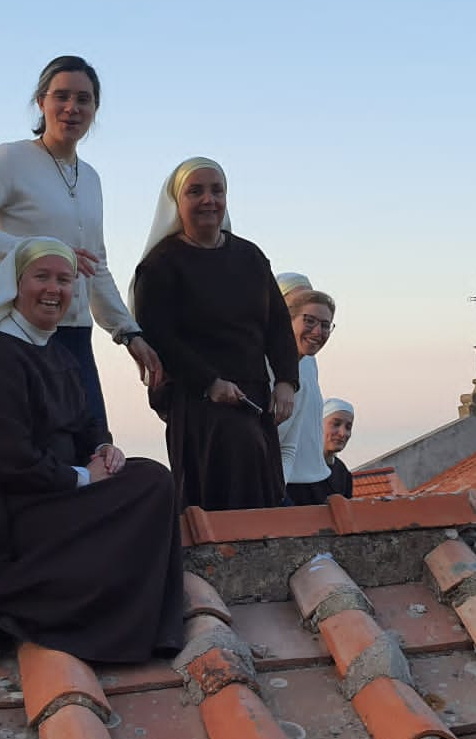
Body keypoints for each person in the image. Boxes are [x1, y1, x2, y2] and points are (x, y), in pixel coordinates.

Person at [0, 237, 185, 666]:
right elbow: (9, 460)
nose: (54, 289)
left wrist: (103, 449)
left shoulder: (54, 351)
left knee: (152, 479)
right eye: (42, 277)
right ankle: (15, 607)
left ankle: (141, 624)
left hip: (53, 491)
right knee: (152, 486)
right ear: (15, 285)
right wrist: (83, 478)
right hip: (11, 508)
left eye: (64, 280)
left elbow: (85, 423)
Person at [0, 56, 163, 429]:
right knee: (33, 454)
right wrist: (42, 254)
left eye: (84, 99)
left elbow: (97, 266)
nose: (72, 108)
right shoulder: (9, 159)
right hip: (18, 332)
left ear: (95, 108)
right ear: (40, 101)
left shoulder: (91, 178)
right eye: (61, 96)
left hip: (76, 337)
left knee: (92, 449)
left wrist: (128, 333)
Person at [130, 158, 299, 512]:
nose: (209, 199)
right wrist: (210, 382)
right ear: (178, 202)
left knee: (264, 486)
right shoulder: (161, 265)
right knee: (223, 493)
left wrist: (286, 380)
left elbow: (278, 324)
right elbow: (160, 335)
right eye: (196, 191)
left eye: (216, 190)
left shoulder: (250, 256)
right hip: (198, 402)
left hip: (252, 394)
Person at [279, 286, 339, 504]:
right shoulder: (259, 368)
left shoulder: (303, 371)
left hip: (280, 485)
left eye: (325, 325)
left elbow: (288, 445)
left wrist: (278, 489)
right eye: (309, 321)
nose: (317, 332)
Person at [321, 398, 357, 500]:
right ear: (317, 424)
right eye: (336, 424)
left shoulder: (342, 472)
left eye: (348, 427)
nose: (343, 433)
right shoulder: (299, 468)